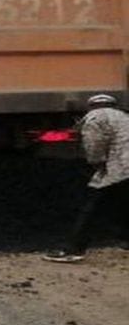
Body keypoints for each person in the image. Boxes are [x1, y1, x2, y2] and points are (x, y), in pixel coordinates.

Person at [44, 94, 129, 263]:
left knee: (92, 208)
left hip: (121, 168)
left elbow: (94, 146)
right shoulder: (124, 117)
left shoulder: (94, 118)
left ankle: (73, 249)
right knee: (123, 204)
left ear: (91, 106)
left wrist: (95, 164)